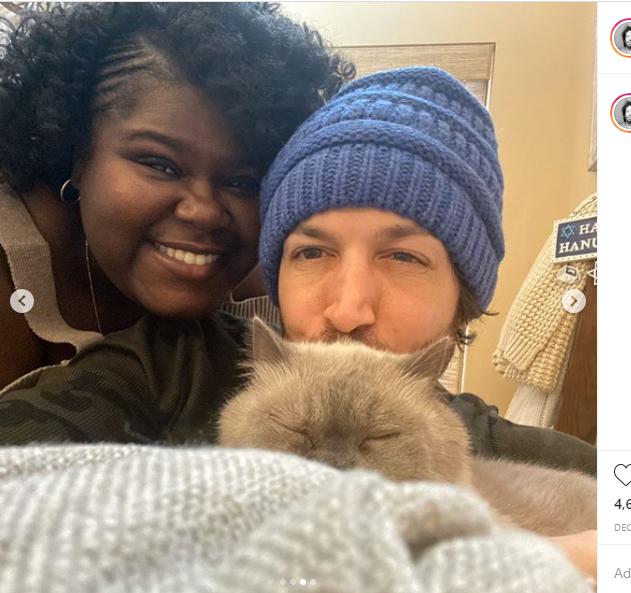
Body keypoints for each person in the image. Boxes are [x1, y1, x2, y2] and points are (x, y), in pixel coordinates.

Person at [0, 65, 597, 582]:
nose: (348, 308)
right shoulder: (165, 367)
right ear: (275, 272)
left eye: (404, 257)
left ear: (461, 296)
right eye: (312, 251)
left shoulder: (523, 451)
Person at [0, 2, 353, 387]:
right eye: (161, 165)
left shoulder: (274, 286)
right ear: (78, 152)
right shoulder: (12, 266)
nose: (203, 212)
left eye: (244, 183)